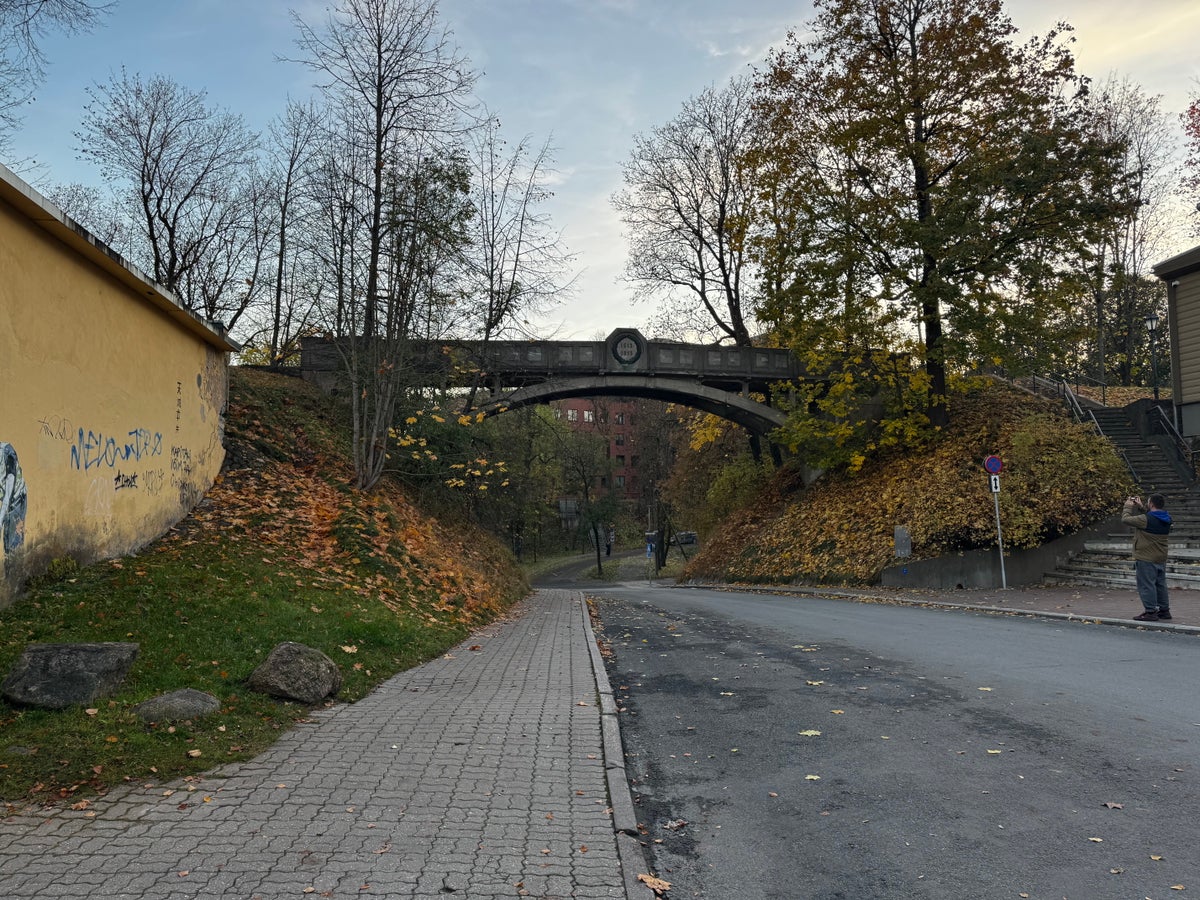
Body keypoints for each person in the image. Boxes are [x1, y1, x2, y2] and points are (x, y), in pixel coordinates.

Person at [1121, 493, 1172, 621]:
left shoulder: (1145, 520)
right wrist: (1141, 507)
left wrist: (1127, 506)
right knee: (1160, 584)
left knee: (1146, 585)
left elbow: (1126, 519)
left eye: (1148, 503)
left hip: (1146, 557)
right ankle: (1164, 611)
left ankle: (1150, 612)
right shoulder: (1167, 518)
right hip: (1160, 556)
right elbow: (1151, 518)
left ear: (1151, 504)